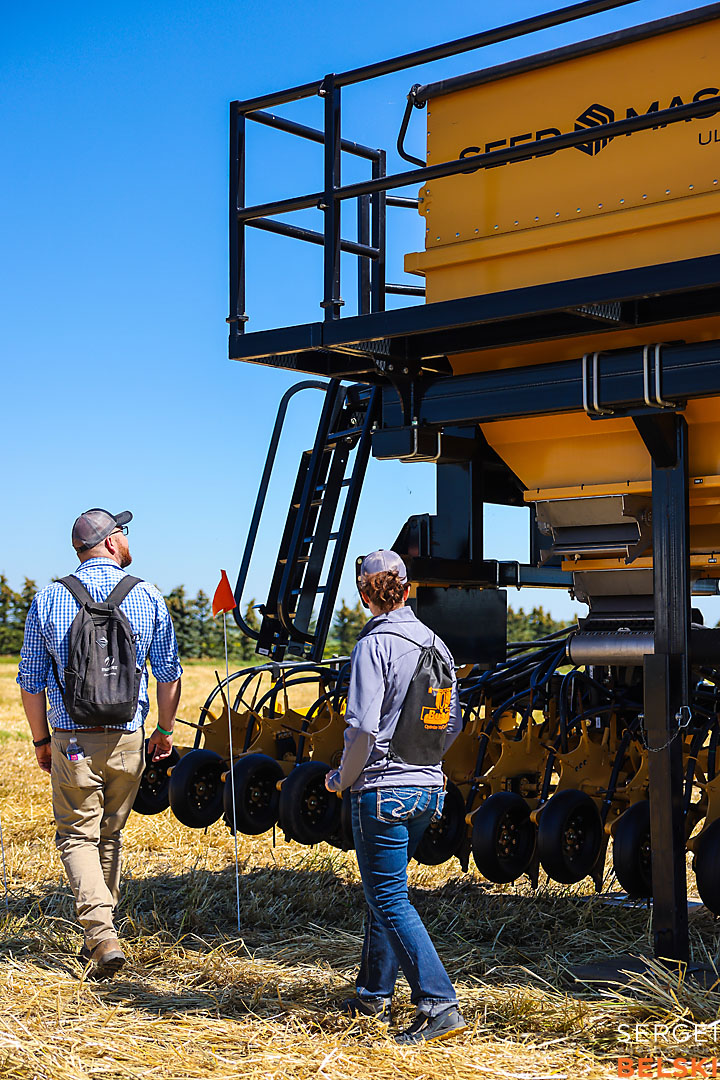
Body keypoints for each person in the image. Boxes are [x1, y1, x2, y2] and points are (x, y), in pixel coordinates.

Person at [17, 508, 182, 978]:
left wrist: (41, 740)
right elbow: (168, 673)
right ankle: (102, 933)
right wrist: (165, 730)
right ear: (110, 541)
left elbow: (30, 681)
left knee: (77, 835)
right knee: (109, 833)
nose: (127, 539)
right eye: (123, 532)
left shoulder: (50, 598)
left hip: (73, 740)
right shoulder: (147, 595)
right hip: (129, 738)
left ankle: (100, 933)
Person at [325, 549, 466, 1045]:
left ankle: (439, 1003)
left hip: (383, 792)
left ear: (364, 595)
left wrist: (341, 778)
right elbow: (452, 722)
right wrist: (423, 763)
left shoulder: (374, 646)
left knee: (389, 898)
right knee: (382, 893)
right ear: (407, 590)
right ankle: (373, 993)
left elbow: (364, 729)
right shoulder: (437, 645)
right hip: (428, 790)